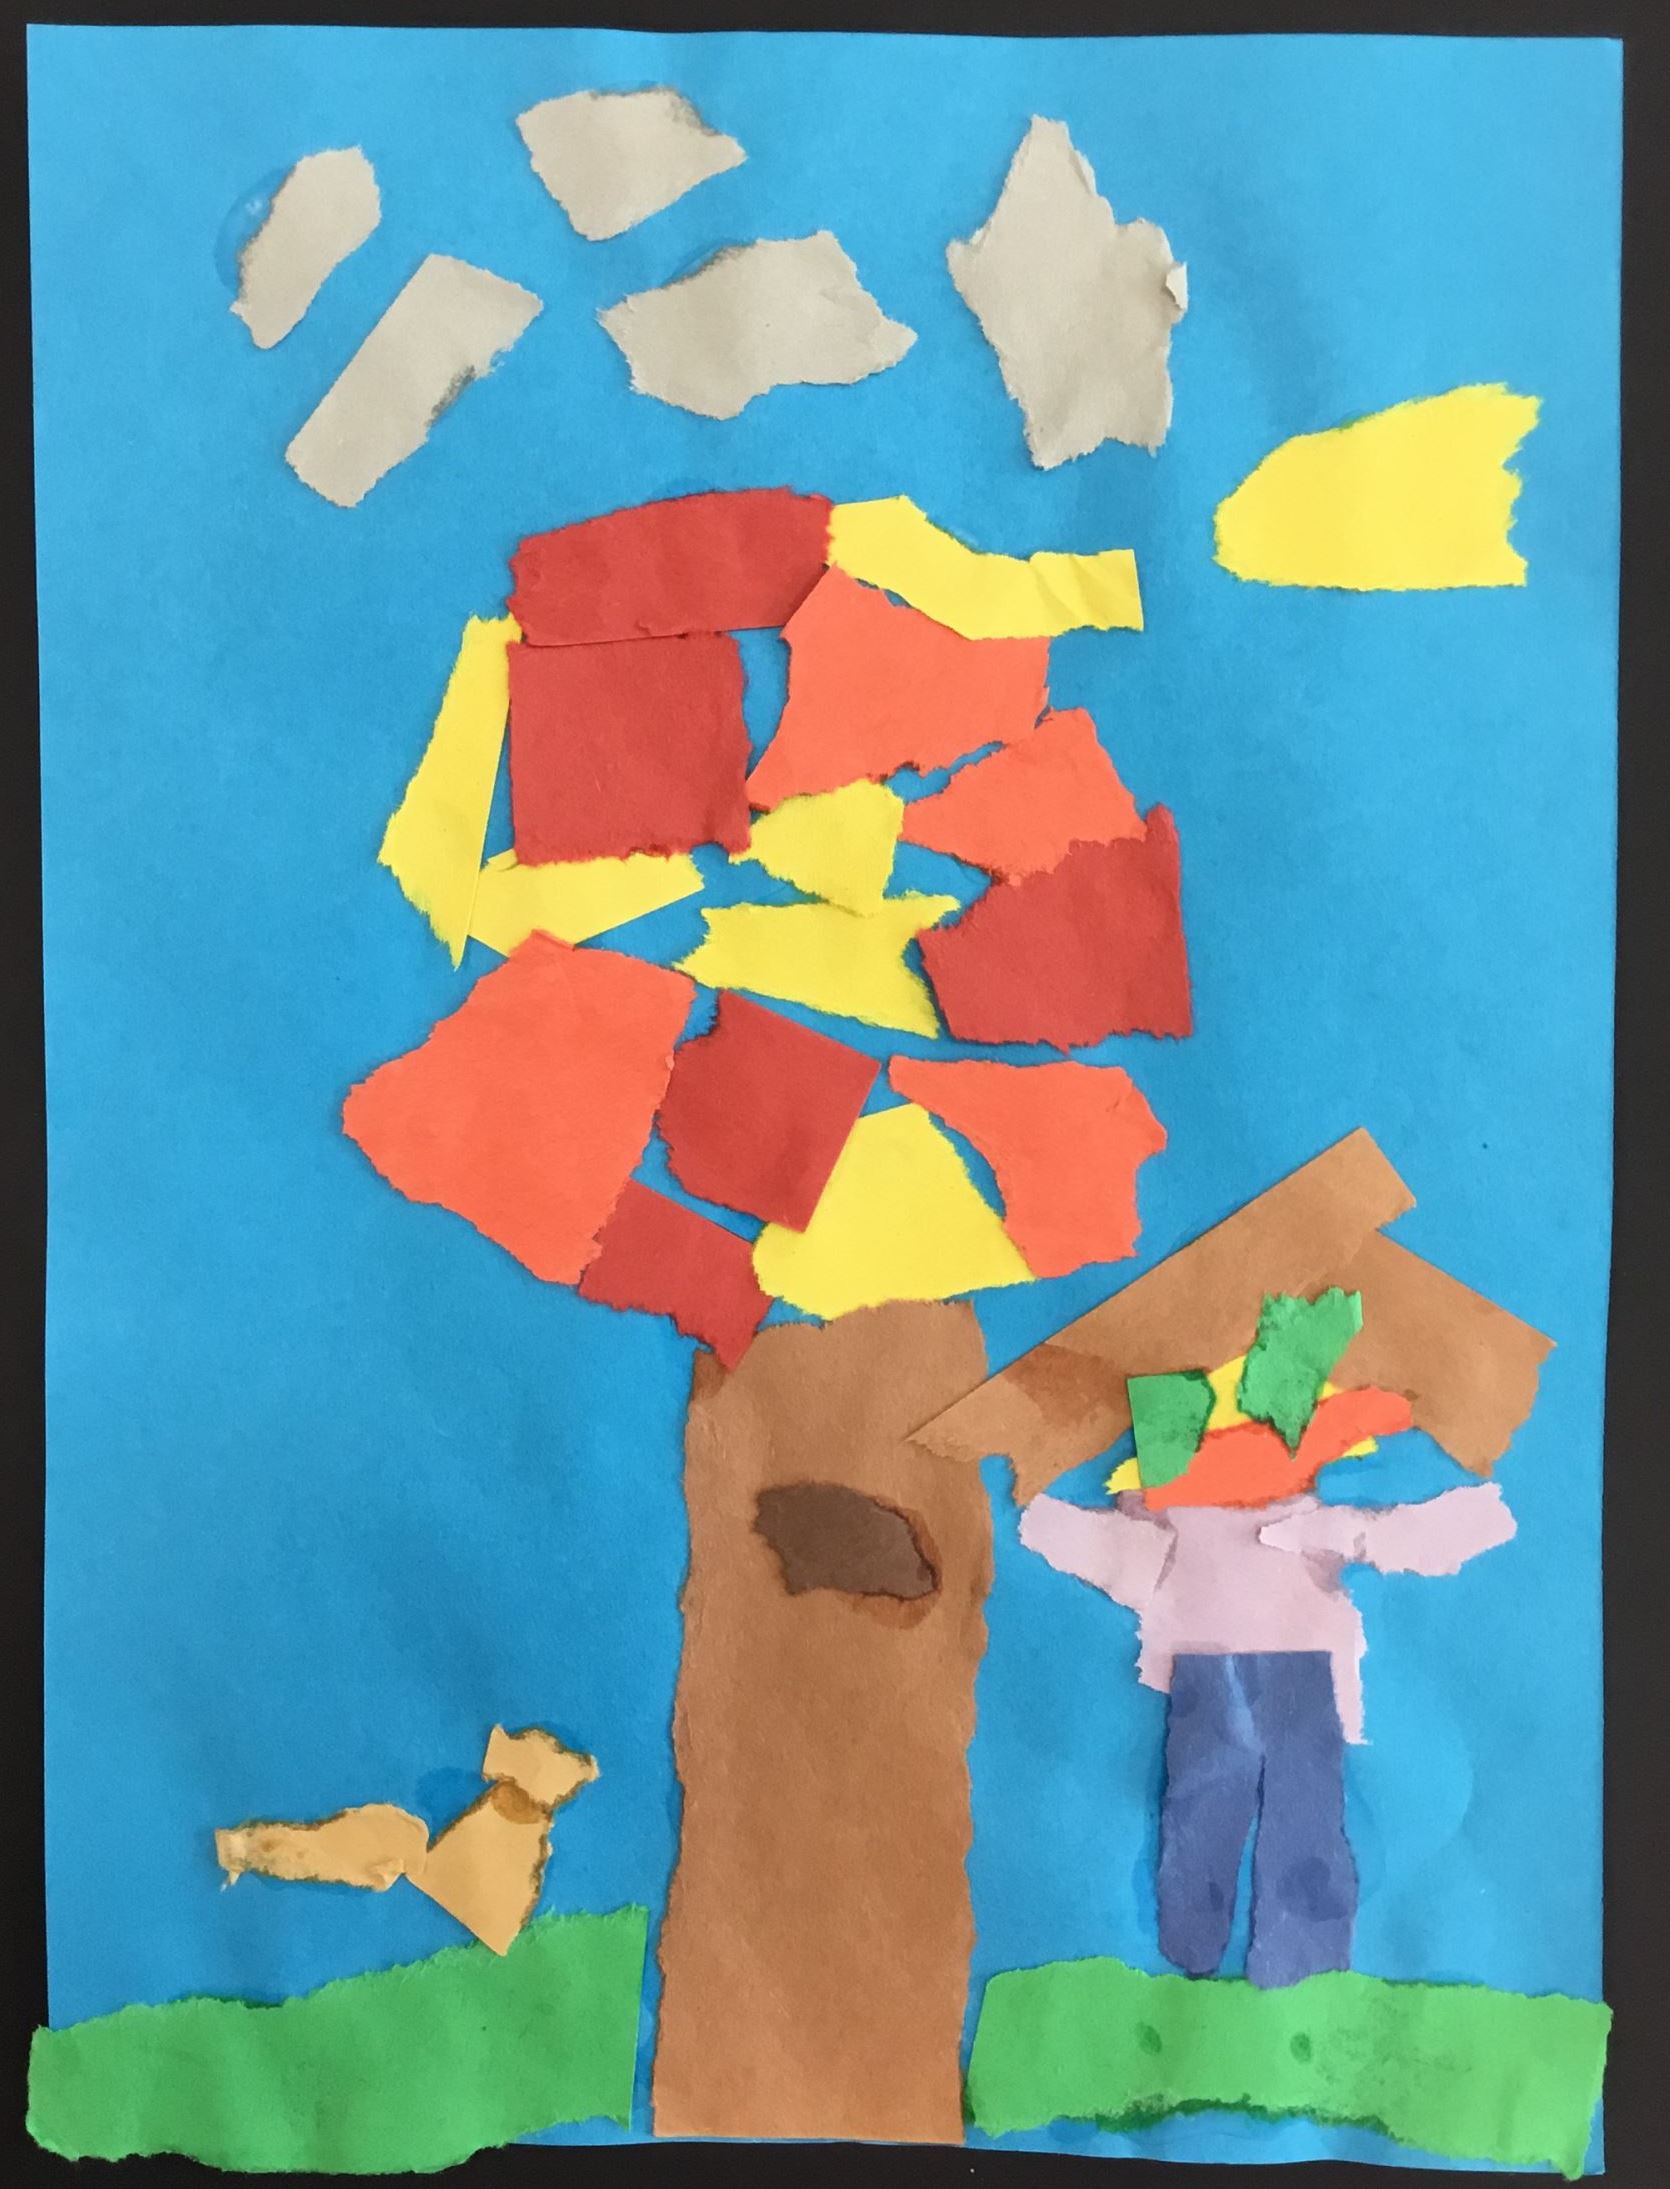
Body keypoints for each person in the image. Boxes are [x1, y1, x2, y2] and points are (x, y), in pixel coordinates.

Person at [1018, 1475, 1515, 1988]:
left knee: (1273, 1818)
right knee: (1216, 1817)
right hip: (1223, 1664)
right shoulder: (1187, 1499)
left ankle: (1278, 1962)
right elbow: (1127, 1555)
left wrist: (1042, 1520)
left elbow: (1378, 1535)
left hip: (1272, 1664)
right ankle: (1217, 1956)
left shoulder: (1288, 1507)